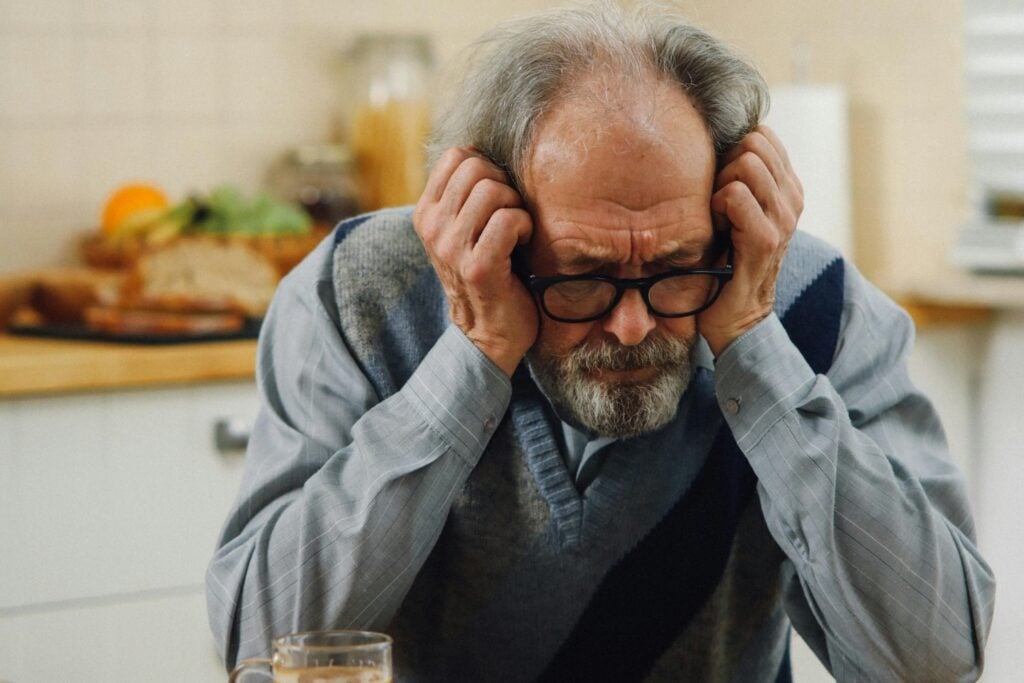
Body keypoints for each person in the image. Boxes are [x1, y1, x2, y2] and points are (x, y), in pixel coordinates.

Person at [206, 2, 994, 680]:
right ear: (498, 226)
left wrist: (756, 347)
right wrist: (472, 360)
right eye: (581, 275)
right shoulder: (356, 293)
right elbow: (261, 646)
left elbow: (936, 657)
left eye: (677, 265)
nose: (631, 325)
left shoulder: (808, 301)